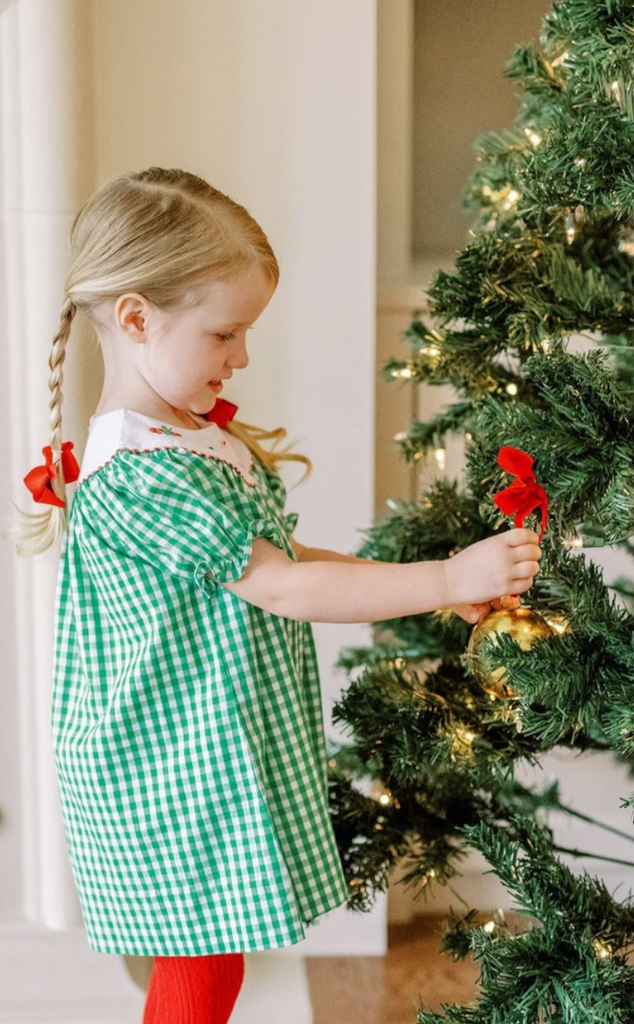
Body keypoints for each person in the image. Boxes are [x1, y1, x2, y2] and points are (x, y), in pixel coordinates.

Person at [5, 167, 542, 1024]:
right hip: (165, 767)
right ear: (138, 317)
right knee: (199, 972)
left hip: (198, 753)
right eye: (225, 333)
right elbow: (286, 587)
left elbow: (283, 560)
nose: (242, 356)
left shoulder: (179, 440)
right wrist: (446, 576)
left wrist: (436, 592)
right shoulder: (146, 476)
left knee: (209, 966)